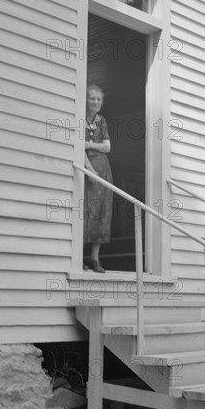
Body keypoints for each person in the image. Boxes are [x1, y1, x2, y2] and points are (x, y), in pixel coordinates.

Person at [83, 84, 113, 273]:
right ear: (85, 99)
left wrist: (87, 143)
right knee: (85, 212)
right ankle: (78, 257)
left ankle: (94, 258)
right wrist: (89, 169)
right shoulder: (78, 118)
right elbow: (77, 147)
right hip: (88, 171)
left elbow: (108, 147)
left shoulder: (101, 121)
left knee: (101, 213)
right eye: (92, 98)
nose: (95, 102)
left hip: (104, 171)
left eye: (98, 99)